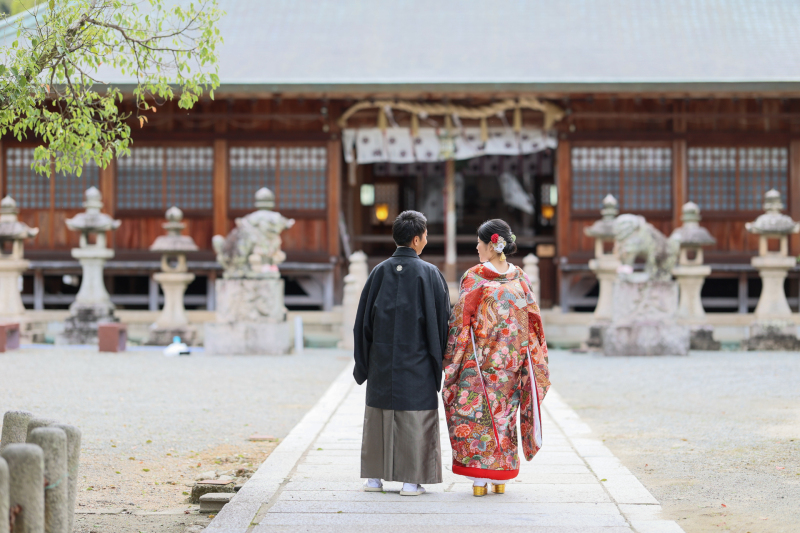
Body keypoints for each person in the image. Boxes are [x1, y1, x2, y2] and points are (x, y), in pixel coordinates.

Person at [442, 219, 550, 496]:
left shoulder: (475, 277)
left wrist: (453, 359)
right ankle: (497, 475)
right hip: (505, 361)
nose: (476, 247)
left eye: (479, 242)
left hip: (483, 361)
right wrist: (532, 353)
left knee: (487, 416)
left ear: (491, 245)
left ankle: (485, 477)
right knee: (499, 417)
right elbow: (533, 321)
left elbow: (459, 322)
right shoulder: (520, 279)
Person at [353, 210, 451, 496]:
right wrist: (441, 358)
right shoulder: (430, 273)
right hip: (418, 357)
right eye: (426, 236)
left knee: (379, 414)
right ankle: (411, 481)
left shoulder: (378, 271)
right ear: (418, 239)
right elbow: (441, 320)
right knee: (416, 416)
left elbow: (363, 323)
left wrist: (364, 362)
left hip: (382, 358)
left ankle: (374, 478)